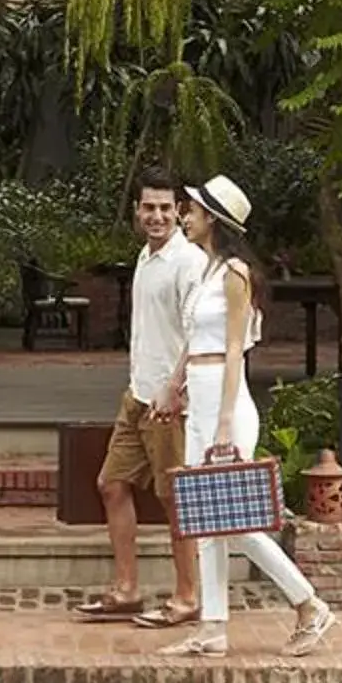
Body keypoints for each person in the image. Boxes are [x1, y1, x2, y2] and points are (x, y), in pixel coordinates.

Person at [159, 173, 337, 658]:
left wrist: (222, 421)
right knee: (204, 517)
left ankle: (309, 604)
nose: (185, 216)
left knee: (234, 520)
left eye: (193, 210)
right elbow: (194, 340)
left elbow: (235, 347)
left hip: (226, 401)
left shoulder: (235, 273)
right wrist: (174, 386)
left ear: (213, 219)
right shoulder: (207, 271)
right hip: (201, 396)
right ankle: (212, 626)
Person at [73, 168, 207, 625]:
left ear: (179, 211)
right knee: (111, 484)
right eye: (149, 207)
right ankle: (127, 589)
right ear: (137, 211)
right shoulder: (145, 257)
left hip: (170, 404)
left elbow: (199, 333)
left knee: (176, 501)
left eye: (165, 208)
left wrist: (175, 388)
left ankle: (187, 597)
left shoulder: (188, 262)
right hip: (137, 396)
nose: (157, 216)